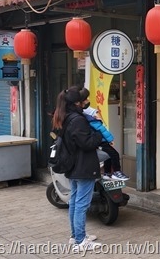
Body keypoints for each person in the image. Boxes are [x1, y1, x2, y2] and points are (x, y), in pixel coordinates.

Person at [52, 86, 103, 251]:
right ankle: (81, 241)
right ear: (77, 103)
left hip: (73, 165)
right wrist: (99, 131)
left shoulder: (64, 116)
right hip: (83, 165)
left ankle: (76, 237)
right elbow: (87, 143)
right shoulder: (78, 119)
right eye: (85, 100)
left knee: (74, 201)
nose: (87, 102)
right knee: (81, 203)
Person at [79, 88, 129, 181]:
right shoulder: (92, 120)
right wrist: (110, 139)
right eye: (86, 99)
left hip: (95, 142)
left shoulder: (83, 117)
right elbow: (102, 130)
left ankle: (107, 173)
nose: (88, 101)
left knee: (107, 155)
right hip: (100, 141)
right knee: (114, 154)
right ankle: (116, 172)